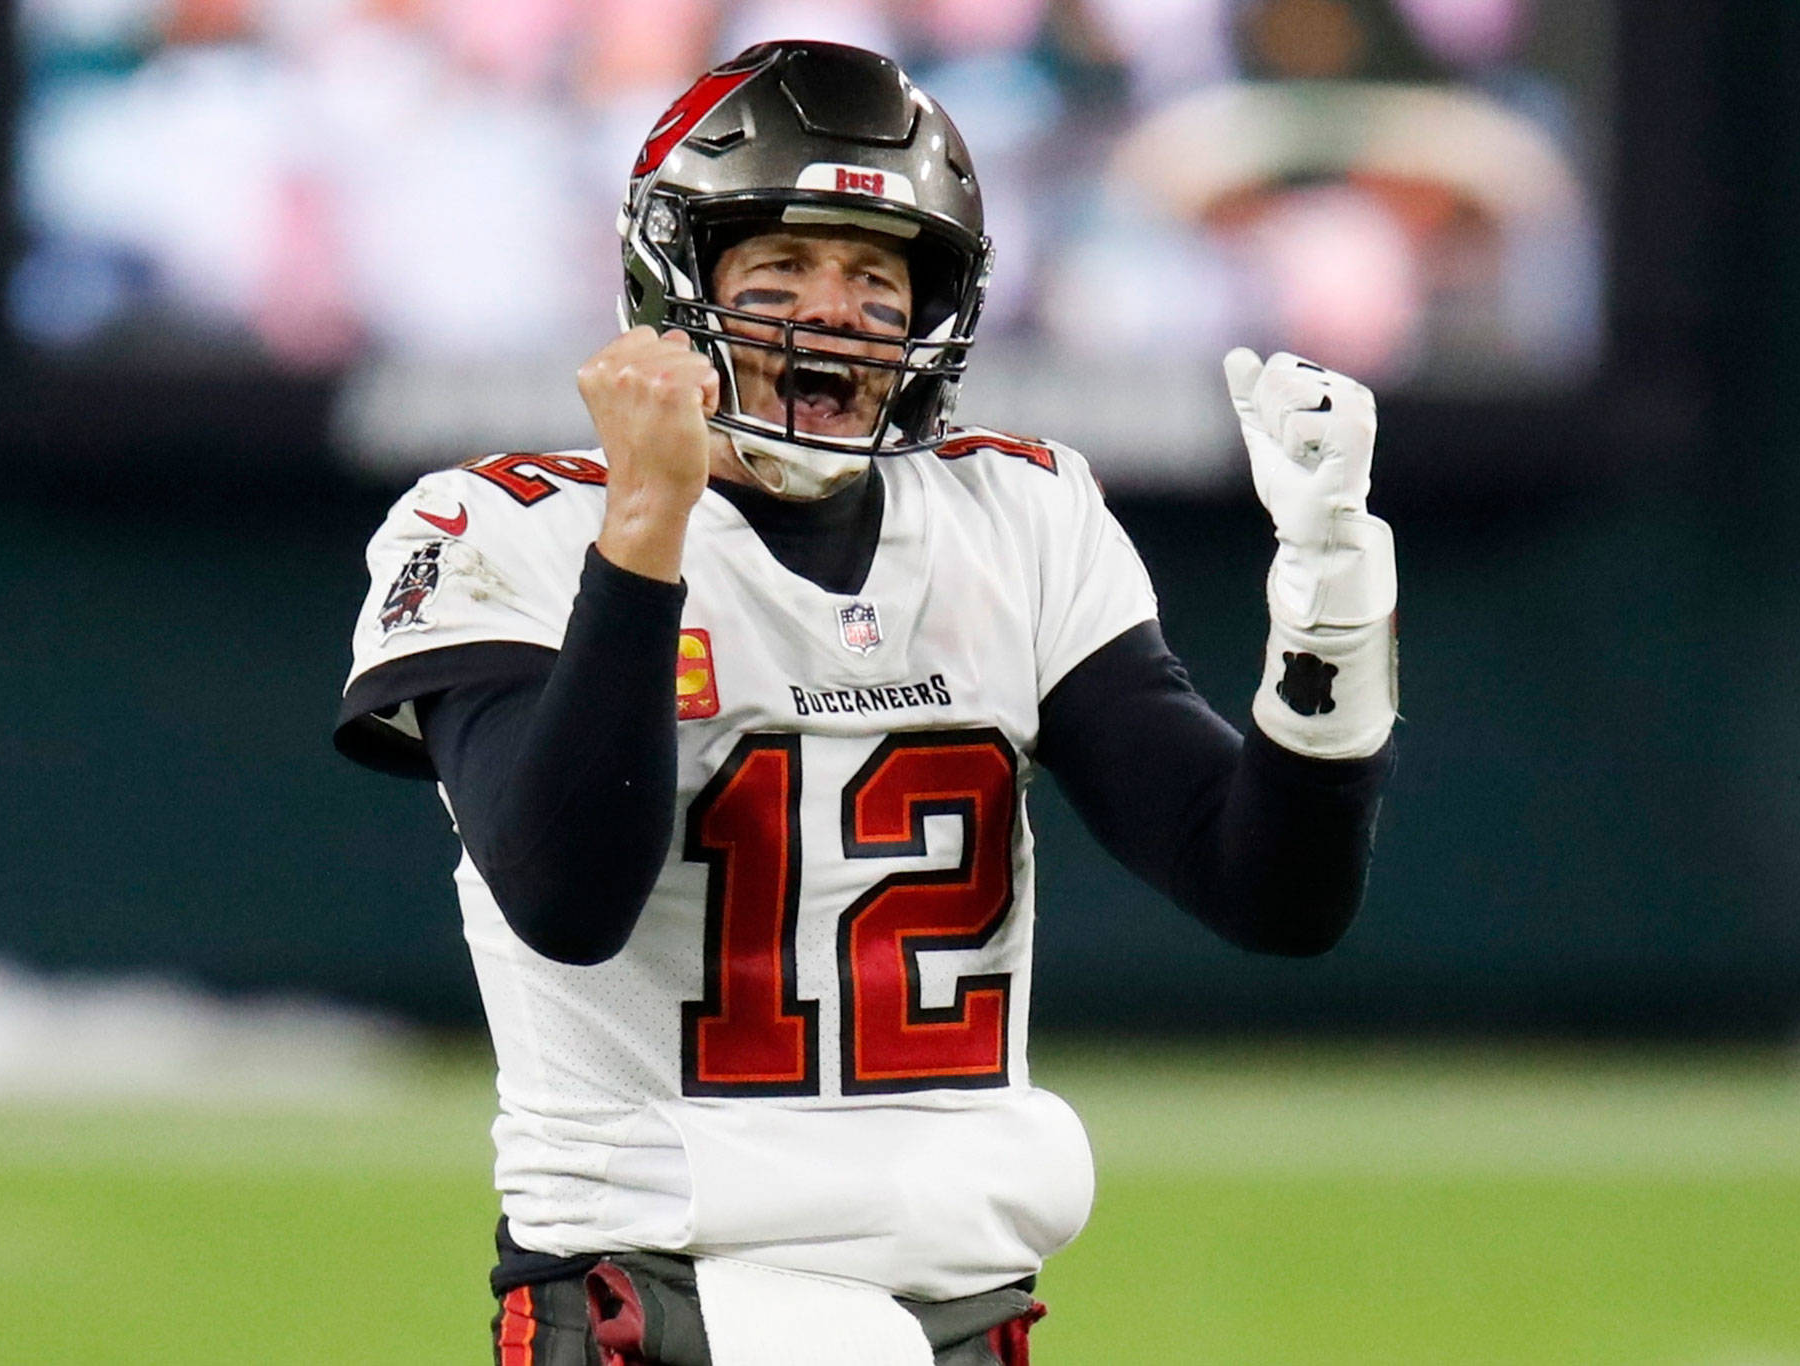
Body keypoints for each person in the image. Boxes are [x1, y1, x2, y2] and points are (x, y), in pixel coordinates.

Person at [334, 39, 1396, 1366]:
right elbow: (564, 894)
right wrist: (648, 525)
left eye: (876, 274)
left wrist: (1332, 620)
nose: (832, 311)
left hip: (956, 1297)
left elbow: (1271, 891)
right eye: (779, 270)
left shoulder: (1017, 514)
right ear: (679, 283)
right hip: (660, 1289)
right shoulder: (507, 525)